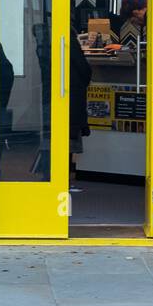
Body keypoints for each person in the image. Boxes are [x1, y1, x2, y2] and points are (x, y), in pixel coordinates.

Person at [69, 29, 92, 191]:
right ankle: (64, 179)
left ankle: (53, 178)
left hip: (55, 95)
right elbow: (84, 68)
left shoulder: (45, 40)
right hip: (73, 95)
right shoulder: (70, 42)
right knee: (70, 137)